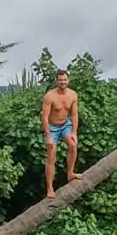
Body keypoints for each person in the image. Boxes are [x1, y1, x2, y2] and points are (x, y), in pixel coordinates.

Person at [41, 69, 80, 198]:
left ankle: (70, 173)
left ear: (68, 80)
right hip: (52, 127)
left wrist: (74, 132)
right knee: (52, 156)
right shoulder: (50, 96)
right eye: (60, 80)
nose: (62, 82)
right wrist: (48, 136)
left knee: (73, 145)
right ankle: (50, 189)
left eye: (64, 80)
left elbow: (74, 114)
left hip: (65, 125)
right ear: (56, 81)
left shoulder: (73, 95)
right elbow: (45, 117)